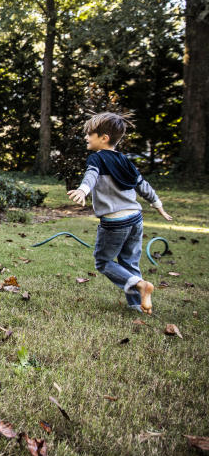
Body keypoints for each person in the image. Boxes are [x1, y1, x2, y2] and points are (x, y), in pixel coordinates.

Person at [67, 112, 172, 314]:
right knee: (129, 261)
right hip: (136, 219)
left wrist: (82, 190)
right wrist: (158, 204)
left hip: (115, 222)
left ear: (104, 138)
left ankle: (140, 285)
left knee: (103, 261)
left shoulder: (96, 158)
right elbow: (143, 186)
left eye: (90, 134)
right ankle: (137, 305)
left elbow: (91, 176)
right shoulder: (125, 160)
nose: (86, 138)